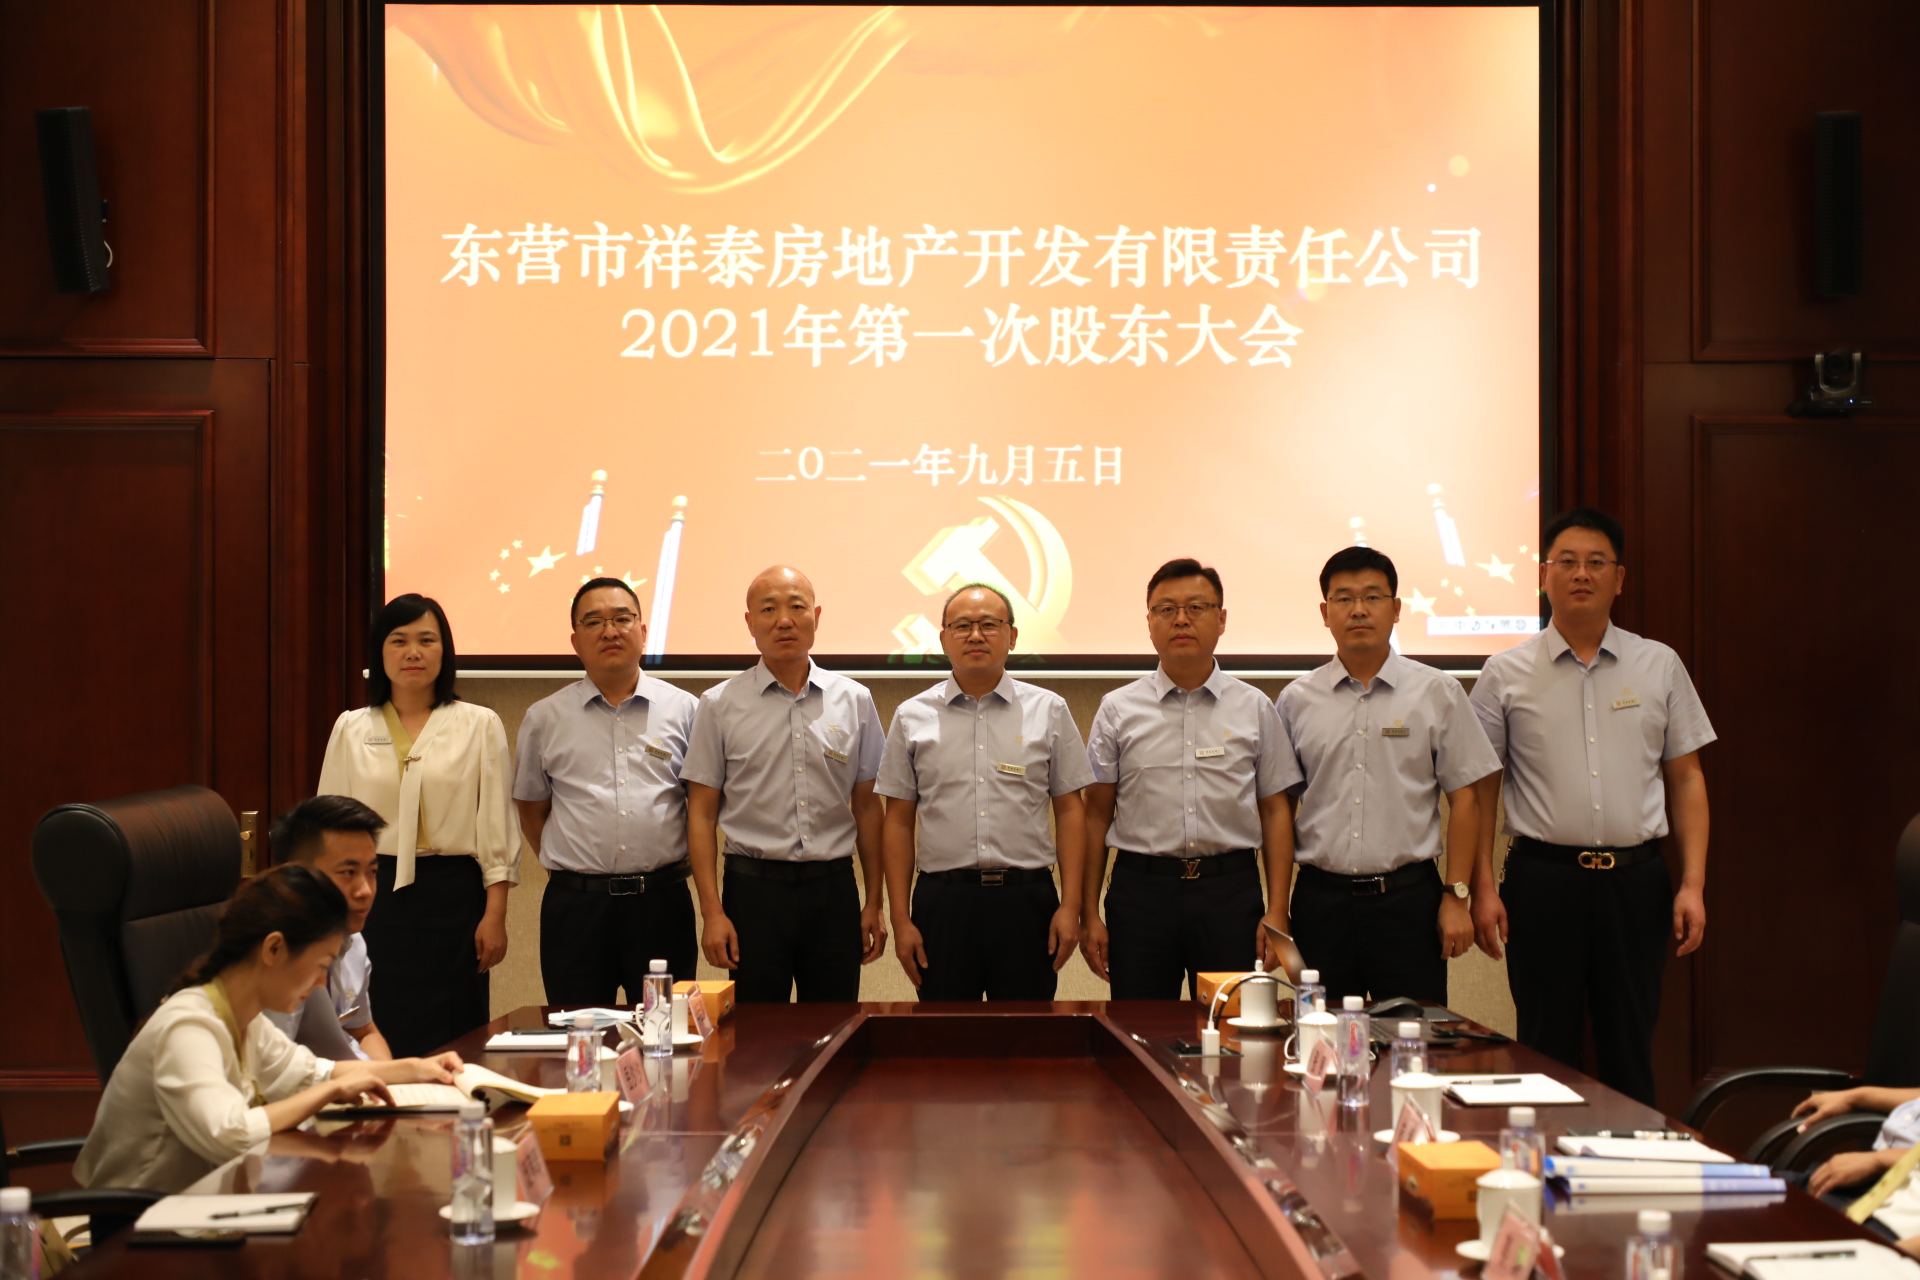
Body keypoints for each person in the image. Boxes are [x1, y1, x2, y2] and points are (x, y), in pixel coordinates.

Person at [1469, 508, 1714, 1105]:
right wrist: (1481, 887)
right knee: (1543, 1050)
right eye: (1568, 562)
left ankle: (1632, 1159)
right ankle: (1543, 1160)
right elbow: (1479, 790)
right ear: (1543, 575)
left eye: (1597, 562)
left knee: (1629, 1049)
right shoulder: (1504, 673)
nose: (1582, 574)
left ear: (1619, 578)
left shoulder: (1659, 664)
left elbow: (1686, 778)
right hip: (1542, 881)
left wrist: (1693, 884)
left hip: (1636, 884)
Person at [75, 864, 462, 1201]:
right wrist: (327, 1092)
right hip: (140, 1226)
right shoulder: (188, 1027)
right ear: (273, 949)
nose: (320, 983)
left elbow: (316, 1072)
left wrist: (416, 1068)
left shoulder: (245, 1020)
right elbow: (229, 1134)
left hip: (207, 1208)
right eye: (320, 965)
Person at [1276, 547, 1499, 1005]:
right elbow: (1279, 807)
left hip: (1409, 902)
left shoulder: (1438, 692)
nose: (1358, 609)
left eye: (1372, 597)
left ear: (1396, 609)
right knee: (1322, 1038)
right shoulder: (1296, 700)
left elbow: (1466, 800)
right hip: (1321, 902)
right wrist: (1277, 907)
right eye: (1343, 598)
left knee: (1413, 1036)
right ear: (1325, 612)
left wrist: (1457, 896)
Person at [1081, 558, 1300, 999]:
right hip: (1141, 894)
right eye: (1166, 609)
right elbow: (1095, 815)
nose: (1181, 619)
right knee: (1141, 1027)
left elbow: (1276, 811)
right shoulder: (1117, 708)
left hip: (1230, 893)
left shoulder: (1255, 707)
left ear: (1222, 619)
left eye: (1196, 607)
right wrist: (1089, 913)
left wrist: (1278, 908)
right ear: (1149, 622)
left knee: (1232, 1023)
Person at [318, 594, 520, 1057]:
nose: (413, 652)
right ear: (380, 652)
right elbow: (329, 829)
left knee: (457, 1025)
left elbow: (497, 824)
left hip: (454, 895)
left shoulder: (479, 724)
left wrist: (495, 915)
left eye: (427, 640)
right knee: (375, 1016)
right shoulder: (351, 728)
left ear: (444, 650)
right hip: (372, 893)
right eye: (399, 640)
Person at [877, 584, 1093, 1001]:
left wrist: (1071, 906)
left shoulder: (1050, 710)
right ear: (943, 639)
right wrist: (900, 918)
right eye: (962, 626)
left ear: (1012, 636)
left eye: (989, 625)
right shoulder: (911, 716)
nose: (975, 635)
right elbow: (898, 821)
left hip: (1027, 901)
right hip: (943, 903)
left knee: (1027, 1032)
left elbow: (1070, 811)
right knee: (946, 1032)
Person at [684, 566, 888, 1002]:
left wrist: (874, 901)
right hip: (753, 894)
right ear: (749, 622)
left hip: (833, 889)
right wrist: (712, 912)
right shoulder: (718, 705)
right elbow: (700, 814)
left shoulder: (854, 700)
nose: (783, 620)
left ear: (816, 616)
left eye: (796, 607)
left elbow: (869, 807)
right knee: (756, 1031)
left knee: (835, 1025)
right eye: (768, 609)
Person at [515, 577, 701, 1004]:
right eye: (594, 622)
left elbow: (700, 805)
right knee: (578, 1029)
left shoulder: (685, 710)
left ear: (643, 631)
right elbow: (531, 808)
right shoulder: (544, 718)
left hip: (662, 903)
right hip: (576, 909)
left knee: (664, 1031)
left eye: (621, 619)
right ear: (575, 640)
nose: (610, 631)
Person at [262, 796, 391, 1060]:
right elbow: (271, 1068)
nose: (366, 891)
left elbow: (363, 1032)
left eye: (372, 872)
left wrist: (391, 1078)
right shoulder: (278, 954)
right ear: (297, 874)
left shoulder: (352, 941)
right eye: (348, 873)